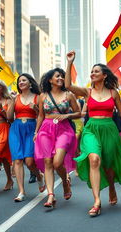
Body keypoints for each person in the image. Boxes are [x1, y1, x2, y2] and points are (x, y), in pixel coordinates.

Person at [65, 50, 121, 217]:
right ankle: (96, 201)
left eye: (96, 71)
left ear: (104, 75)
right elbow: (68, 86)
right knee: (94, 159)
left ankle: (111, 186)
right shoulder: (87, 92)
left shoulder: (113, 93)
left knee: (109, 166)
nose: (92, 73)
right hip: (91, 129)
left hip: (109, 129)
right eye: (92, 71)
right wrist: (69, 63)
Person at [34, 68, 80, 208]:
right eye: (57, 76)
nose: (60, 78)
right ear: (50, 80)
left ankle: (65, 183)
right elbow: (41, 115)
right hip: (46, 129)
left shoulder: (69, 95)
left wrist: (68, 115)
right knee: (48, 161)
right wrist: (36, 132)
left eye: (62, 76)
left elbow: (79, 113)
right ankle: (50, 195)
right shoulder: (43, 96)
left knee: (57, 162)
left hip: (64, 129)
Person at [7, 74, 45, 202]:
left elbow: (41, 116)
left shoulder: (38, 97)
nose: (21, 82)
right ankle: (21, 191)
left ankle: (39, 175)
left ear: (30, 83)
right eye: (19, 81)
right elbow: (10, 118)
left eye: (24, 80)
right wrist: (11, 101)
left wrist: (35, 109)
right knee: (17, 160)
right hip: (16, 129)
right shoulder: (15, 98)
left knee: (29, 161)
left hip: (31, 128)